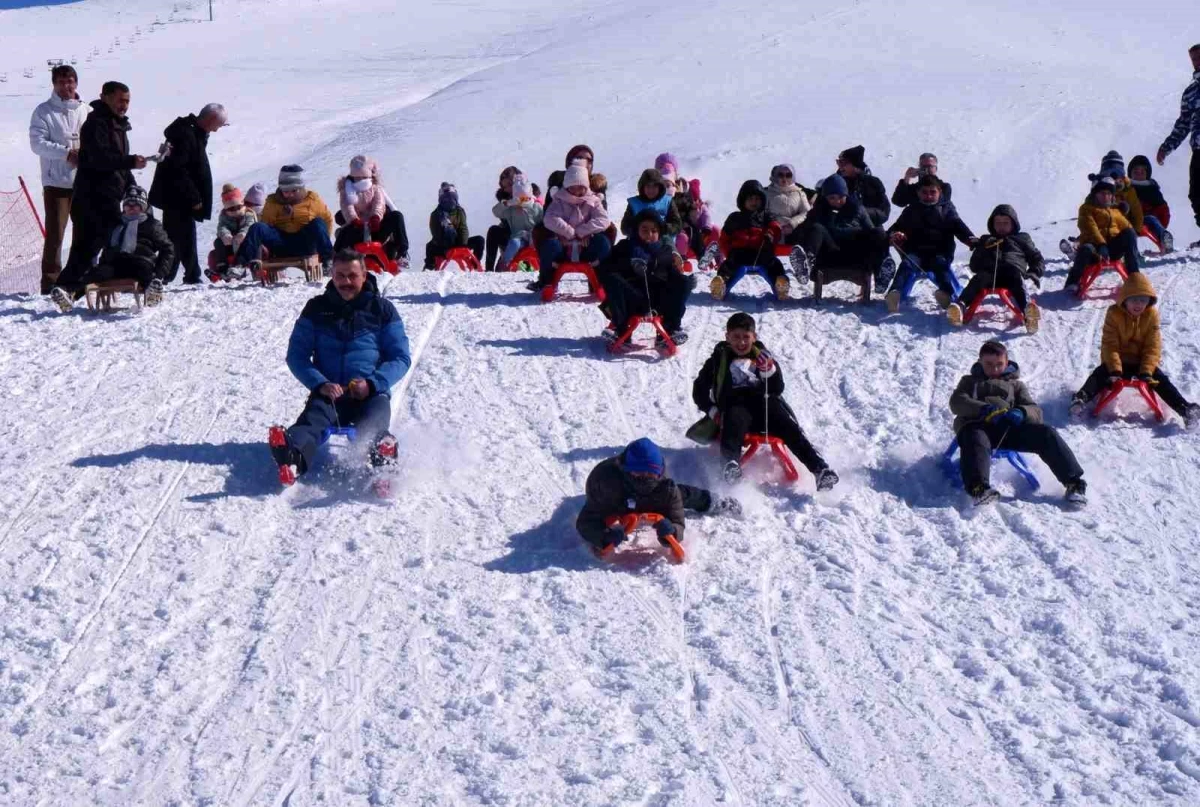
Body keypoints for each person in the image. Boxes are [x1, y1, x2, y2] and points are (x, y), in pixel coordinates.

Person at [270, 249, 412, 483]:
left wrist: (372, 383)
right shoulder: (316, 309)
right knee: (311, 422)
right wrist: (321, 384)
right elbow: (297, 356)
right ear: (332, 276)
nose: (346, 282)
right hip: (329, 394)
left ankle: (383, 464)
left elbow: (400, 357)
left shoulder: (382, 310)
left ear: (364, 275)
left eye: (352, 276)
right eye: (340, 276)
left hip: (370, 394)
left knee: (374, 425)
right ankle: (291, 456)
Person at [691, 312, 839, 489]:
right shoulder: (717, 360)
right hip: (736, 407)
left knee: (788, 426)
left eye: (746, 337)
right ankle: (730, 466)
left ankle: (819, 469)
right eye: (736, 337)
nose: (741, 342)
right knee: (733, 421)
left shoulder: (763, 358)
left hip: (765, 407)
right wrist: (712, 410)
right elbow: (699, 389)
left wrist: (768, 370)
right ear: (727, 337)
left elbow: (777, 389)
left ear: (754, 337)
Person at [950, 341, 1087, 506]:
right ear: (980, 362)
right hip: (977, 428)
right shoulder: (969, 382)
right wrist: (983, 409)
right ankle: (979, 489)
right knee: (975, 437)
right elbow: (957, 402)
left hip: (1008, 430)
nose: (994, 369)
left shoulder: (1016, 385)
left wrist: (1022, 412)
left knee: (1046, 433)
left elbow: (1036, 411)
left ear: (1007, 362)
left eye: (999, 364)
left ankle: (1074, 484)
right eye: (989, 364)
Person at [1069, 273, 1200, 428]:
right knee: (1100, 374)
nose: (1138, 304)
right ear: (1125, 299)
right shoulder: (1113, 314)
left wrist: (1146, 371)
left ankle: (1184, 409)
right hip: (1117, 362)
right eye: (1134, 299)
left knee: (1160, 380)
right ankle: (1080, 399)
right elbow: (1109, 345)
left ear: (1149, 301)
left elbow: (1153, 346)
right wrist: (1115, 371)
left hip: (1140, 364)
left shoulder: (1151, 315)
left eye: (1143, 300)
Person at [575, 437, 740, 557]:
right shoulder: (606, 484)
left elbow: (677, 520)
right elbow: (586, 522)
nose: (645, 478)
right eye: (639, 473)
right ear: (626, 470)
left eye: (650, 474)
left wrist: (672, 532)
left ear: (658, 473)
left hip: (651, 498)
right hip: (618, 497)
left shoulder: (664, 488)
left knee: (683, 494)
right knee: (670, 494)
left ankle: (719, 502)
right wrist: (603, 537)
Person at [58, 81, 148, 292]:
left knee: (98, 248)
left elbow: (119, 165)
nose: (124, 105)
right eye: (120, 100)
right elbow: (100, 159)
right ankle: (66, 289)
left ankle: (71, 289)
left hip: (109, 198)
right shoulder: (96, 124)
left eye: (127, 101)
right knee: (87, 250)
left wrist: (131, 187)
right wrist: (130, 161)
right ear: (105, 97)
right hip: (92, 199)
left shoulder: (118, 125)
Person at [50, 185, 172, 311]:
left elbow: (168, 249)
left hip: (140, 261)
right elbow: (103, 245)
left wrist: (159, 274)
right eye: (128, 204)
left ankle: (152, 291)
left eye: (135, 204)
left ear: (143, 207)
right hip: (115, 264)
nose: (131, 207)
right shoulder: (116, 224)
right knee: (94, 274)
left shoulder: (151, 224)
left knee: (145, 272)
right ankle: (70, 295)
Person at [148, 102, 226, 284]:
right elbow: (179, 169)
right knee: (178, 237)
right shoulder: (186, 135)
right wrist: (194, 197)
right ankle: (174, 275)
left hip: (179, 197)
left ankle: (178, 275)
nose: (216, 130)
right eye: (218, 125)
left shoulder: (192, 133)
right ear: (211, 119)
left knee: (180, 236)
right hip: (177, 197)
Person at [28, 64, 86, 294]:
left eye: (70, 81)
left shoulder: (86, 111)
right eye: (61, 82)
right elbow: (37, 143)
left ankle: (77, 279)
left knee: (84, 234)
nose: (67, 86)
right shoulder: (43, 111)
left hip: (83, 183)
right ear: (54, 84)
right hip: (56, 183)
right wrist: (66, 153)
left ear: (76, 83)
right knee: (55, 235)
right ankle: (51, 283)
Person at [598, 209, 694, 346]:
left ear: (659, 233)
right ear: (636, 229)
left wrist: (684, 282)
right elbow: (605, 268)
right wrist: (629, 265)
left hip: (658, 301)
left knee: (682, 281)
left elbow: (673, 276)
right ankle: (620, 329)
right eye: (644, 229)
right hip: (631, 299)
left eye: (654, 230)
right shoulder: (625, 247)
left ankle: (670, 329)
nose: (649, 234)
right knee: (612, 278)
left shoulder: (665, 251)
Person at [885, 174, 977, 312]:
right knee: (907, 264)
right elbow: (896, 227)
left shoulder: (946, 209)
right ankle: (895, 294)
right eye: (924, 192)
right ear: (918, 193)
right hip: (916, 252)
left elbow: (958, 226)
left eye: (932, 192)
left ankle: (947, 294)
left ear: (940, 192)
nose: (928, 196)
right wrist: (894, 234)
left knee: (941, 267)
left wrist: (970, 239)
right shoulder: (911, 210)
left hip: (940, 252)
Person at [948, 204, 1043, 331]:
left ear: (1014, 224)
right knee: (978, 279)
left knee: (1016, 277)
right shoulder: (986, 239)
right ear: (992, 224)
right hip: (990, 274)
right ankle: (960, 306)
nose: (1001, 226)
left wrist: (1034, 272)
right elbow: (974, 266)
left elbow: (1036, 257)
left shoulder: (1022, 238)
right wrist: (982, 247)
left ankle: (1028, 312)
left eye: (1005, 223)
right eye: (998, 223)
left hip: (1012, 272)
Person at [793, 173, 891, 288]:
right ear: (825, 197)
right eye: (832, 198)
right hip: (829, 255)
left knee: (878, 231)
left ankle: (881, 272)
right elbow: (805, 231)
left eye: (840, 197)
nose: (837, 201)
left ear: (846, 194)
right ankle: (806, 264)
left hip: (856, 254)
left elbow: (871, 231)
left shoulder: (857, 209)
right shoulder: (818, 210)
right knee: (816, 229)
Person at [235, 165, 334, 268]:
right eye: (286, 191)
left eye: (294, 191)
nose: (290, 194)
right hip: (281, 243)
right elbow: (266, 225)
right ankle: (239, 265)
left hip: (305, 243)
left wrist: (322, 241)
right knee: (257, 227)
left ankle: (328, 261)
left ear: (301, 187)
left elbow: (327, 219)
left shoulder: (311, 199)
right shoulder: (273, 201)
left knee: (318, 222)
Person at [530, 163, 611, 290]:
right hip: (563, 247)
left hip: (586, 246)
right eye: (573, 187)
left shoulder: (593, 200)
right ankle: (546, 281)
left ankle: (601, 280)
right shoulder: (559, 200)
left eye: (581, 187)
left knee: (603, 243)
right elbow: (549, 218)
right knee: (549, 246)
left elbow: (603, 220)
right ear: (567, 187)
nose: (577, 191)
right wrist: (568, 232)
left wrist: (583, 232)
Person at [710, 180, 789, 301]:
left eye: (757, 199)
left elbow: (776, 228)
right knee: (729, 265)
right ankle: (721, 283)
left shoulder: (766, 216)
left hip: (761, 251)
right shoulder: (735, 217)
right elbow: (724, 239)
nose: (754, 202)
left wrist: (770, 234)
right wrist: (728, 253)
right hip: (740, 253)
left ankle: (780, 284)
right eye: (750, 199)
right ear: (743, 201)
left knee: (774, 264)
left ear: (762, 201)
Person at [1063, 176, 1141, 293]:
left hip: (1112, 250)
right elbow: (1090, 228)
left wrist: (1131, 237)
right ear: (1095, 194)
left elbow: (1128, 227)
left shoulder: (1114, 211)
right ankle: (1072, 282)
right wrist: (1101, 245)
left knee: (1129, 233)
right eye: (1102, 193)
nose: (1106, 197)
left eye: (1109, 194)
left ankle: (1133, 276)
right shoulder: (1086, 209)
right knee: (1086, 249)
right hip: (1094, 250)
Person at [1155, 44, 1200, 239]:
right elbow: (1183, 124)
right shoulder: (1190, 92)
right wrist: (1167, 147)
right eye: (1194, 59)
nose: (1197, 62)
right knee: (1196, 193)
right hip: (1199, 148)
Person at [333, 155, 409, 263]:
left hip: (375, 228)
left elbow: (379, 203)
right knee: (344, 232)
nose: (360, 180)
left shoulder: (375, 188)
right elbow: (347, 206)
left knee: (397, 216)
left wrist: (376, 217)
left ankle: (402, 253)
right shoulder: (346, 190)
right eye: (357, 177)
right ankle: (335, 259)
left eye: (363, 177)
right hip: (357, 228)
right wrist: (354, 220)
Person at [424, 182, 484, 269]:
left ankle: (474, 264)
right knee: (430, 246)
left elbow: (463, 228)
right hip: (444, 246)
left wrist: (462, 245)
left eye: (452, 198)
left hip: (459, 243)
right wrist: (447, 244)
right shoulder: (436, 214)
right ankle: (430, 267)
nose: (449, 201)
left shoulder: (460, 211)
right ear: (441, 200)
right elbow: (436, 234)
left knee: (479, 240)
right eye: (446, 199)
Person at [491, 172, 543, 271]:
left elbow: (543, 222)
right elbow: (496, 212)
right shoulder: (512, 210)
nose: (523, 201)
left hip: (535, 237)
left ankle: (546, 265)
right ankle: (505, 263)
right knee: (514, 243)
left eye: (525, 198)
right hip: (519, 238)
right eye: (520, 199)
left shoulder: (536, 207)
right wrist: (507, 203)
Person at [209, 184, 257, 279]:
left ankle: (240, 267)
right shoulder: (224, 216)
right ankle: (222, 269)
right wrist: (225, 235)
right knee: (218, 242)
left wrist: (243, 233)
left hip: (245, 244)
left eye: (238, 207)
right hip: (230, 244)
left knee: (246, 242)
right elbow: (221, 227)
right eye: (231, 209)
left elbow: (250, 225)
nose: (235, 211)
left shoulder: (248, 214)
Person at [834, 144, 891, 226]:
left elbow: (884, 212)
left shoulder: (872, 183)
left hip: (868, 228)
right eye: (839, 162)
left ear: (855, 166)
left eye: (844, 163)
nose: (840, 167)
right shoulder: (837, 182)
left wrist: (861, 212)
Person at [619, 168, 682, 240]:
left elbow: (677, 225)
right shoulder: (634, 204)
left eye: (654, 186)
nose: (651, 190)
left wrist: (663, 228)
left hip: (663, 241)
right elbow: (625, 227)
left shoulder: (667, 202)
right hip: (639, 241)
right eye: (648, 186)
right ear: (642, 187)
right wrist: (640, 230)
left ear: (660, 187)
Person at [1129, 154, 1174, 252]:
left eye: (1142, 171)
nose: (1139, 174)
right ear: (1130, 173)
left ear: (1147, 174)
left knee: (1152, 219)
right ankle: (1127, 252)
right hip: (1127, 221)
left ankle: (1165, 239)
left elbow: (1163, 210)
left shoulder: (1152, 190)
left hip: (1146, 222)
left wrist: (1161, 225)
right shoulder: (1125, 188)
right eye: (1135, 171)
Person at [765, 163, 812, 251]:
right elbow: (764, 211)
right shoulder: (768, 193)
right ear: (776, 176)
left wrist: (792, 223)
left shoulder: (799, 193)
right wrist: (774, 223)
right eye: (781, 175)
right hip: (774, 227)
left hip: (794, 228)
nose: (784, 178)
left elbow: (806, 212)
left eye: (788, 175)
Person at [485, 166, 520, 270]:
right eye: (505, 187)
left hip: (526, 238)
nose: (508, 189)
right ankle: (489, 269)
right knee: (493, 231)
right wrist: (507, 203)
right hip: (511, 239)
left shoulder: (528, 196)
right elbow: (496, 212)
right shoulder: (506, 201)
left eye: (510, 185)